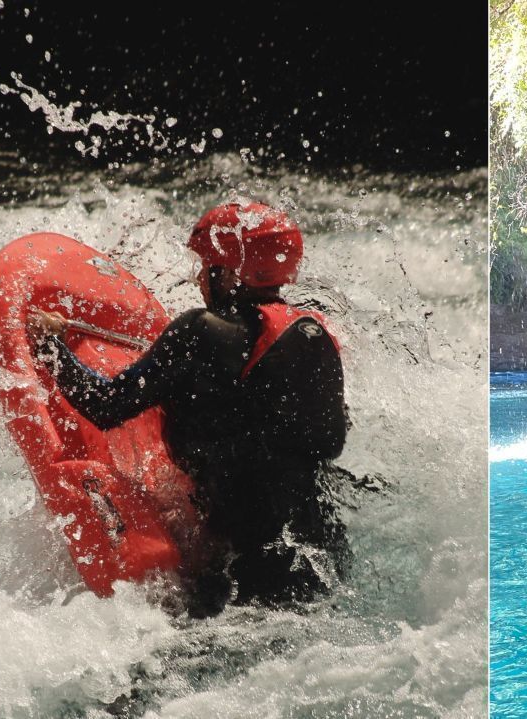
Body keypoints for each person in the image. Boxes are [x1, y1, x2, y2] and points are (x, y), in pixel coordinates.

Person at [27, 202, 348, 616]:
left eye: (207, 264)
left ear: (231, 273)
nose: (200, 276)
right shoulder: (314, 333)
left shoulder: (201, 332)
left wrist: (48, 343)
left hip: (241, 572)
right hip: (317, 552)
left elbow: (104, 405)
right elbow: (329, 441)